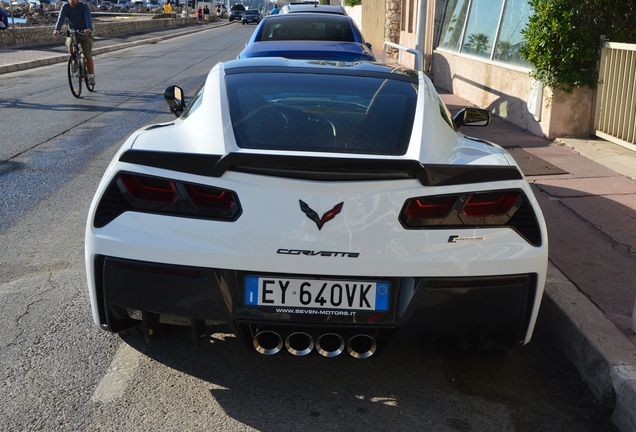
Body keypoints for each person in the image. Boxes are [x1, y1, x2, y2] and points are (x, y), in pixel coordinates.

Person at [53, 0, 95, 85]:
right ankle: (74, 61)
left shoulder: (84, 6)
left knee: (87, 55)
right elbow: (61, 18)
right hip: (72, 31)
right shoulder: (65, 7)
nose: (72, 1)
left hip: (84, 32)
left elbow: (88, 18)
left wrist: (89, 29)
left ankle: (91, 76)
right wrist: (57, 29)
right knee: (70, 45)